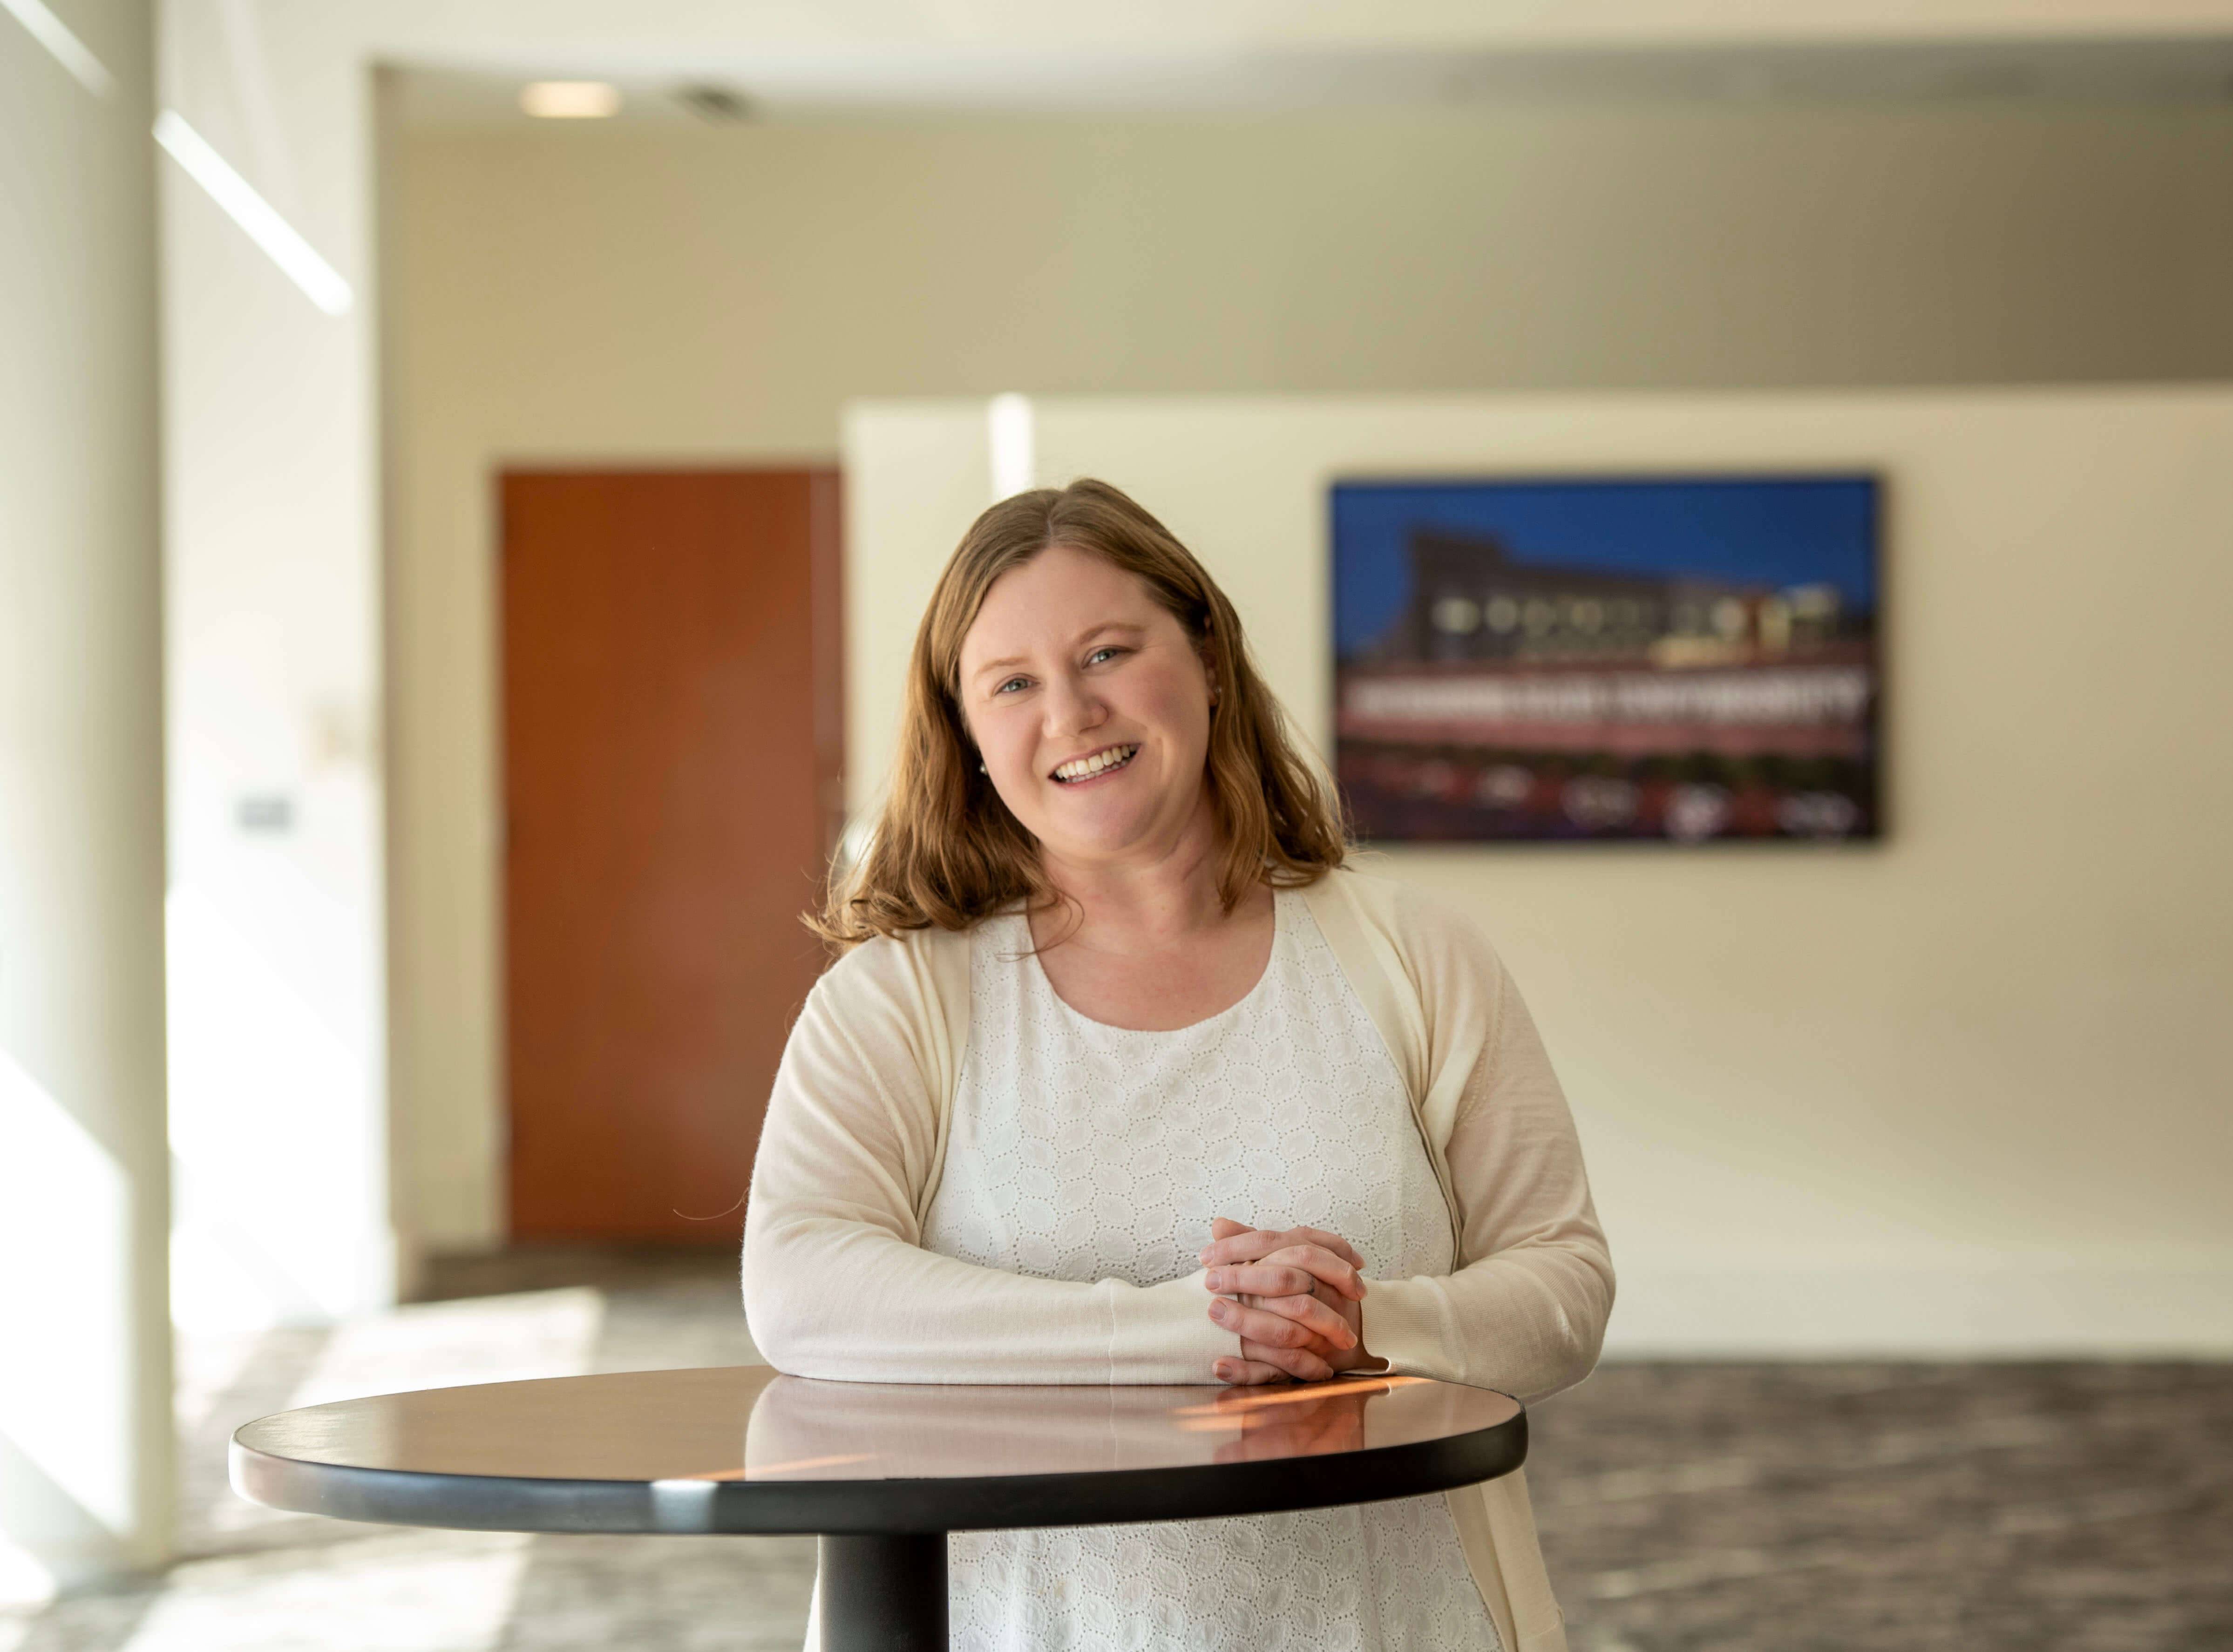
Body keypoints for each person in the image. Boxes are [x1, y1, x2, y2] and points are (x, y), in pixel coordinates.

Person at [742, 479, 1613, 1652]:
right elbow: (800, 1291)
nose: (1071, 712)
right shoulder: (898, 998)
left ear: (1206, 657)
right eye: (1011, 683)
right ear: (968, 736)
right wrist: (1198, 1332)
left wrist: (1365, 1329)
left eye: (1107, 652)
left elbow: (1563, 1285)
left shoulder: (1416, 953)